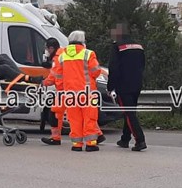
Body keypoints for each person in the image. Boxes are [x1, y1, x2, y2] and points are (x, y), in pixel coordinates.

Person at [39, 37, 106, 146]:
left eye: (47, 49)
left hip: (64, 91)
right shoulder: (67, 54)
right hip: (78, 90)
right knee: (86, 114)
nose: (46, 52)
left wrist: (43, 82)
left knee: (55, 113)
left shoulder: (59, 57)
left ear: (51, 48)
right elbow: (94, 71)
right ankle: (97, 135)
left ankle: (56, 138)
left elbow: (55, 76)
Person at [53, 30, 103, 152]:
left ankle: (77, 144)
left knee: (74, 120)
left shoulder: (62, 56)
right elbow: (96, 71)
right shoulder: (88, 54)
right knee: (90, 118)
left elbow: (58, 76)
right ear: (83, 41)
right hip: (87, 93)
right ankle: (90, 144)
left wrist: (62, 90)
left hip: (70, 94)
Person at [107, 22, 147, 151]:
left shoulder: (117, 46)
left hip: (123, 85)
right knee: (130, 111)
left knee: (129, 113)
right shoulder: (138, 46)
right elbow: (143, 64)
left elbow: (114, 68)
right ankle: (125, 139)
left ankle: (140, 140)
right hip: (137, 83)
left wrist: (110, 86)